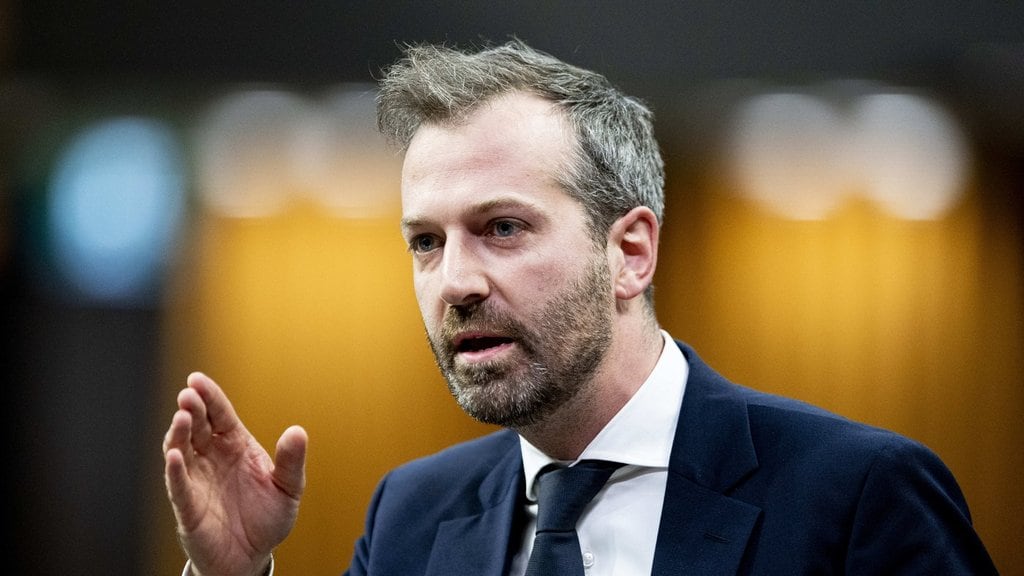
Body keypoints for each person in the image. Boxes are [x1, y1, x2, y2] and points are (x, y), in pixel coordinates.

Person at [163, 39, 997, 576]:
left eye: (502, 228)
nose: (455, 281)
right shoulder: (413, 516)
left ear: (629, 252)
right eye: (425, 241)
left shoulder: (857, 495)